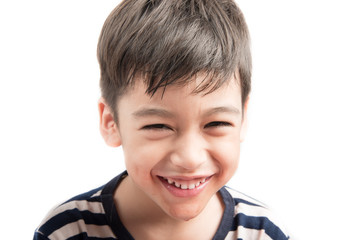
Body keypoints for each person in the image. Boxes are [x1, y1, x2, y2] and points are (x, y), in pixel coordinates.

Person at [34, 0, 290, 239]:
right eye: (158, 126)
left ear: (243, 118)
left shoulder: (263, 233)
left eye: (216, 123)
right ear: (111, 122)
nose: (190, 158)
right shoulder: (67, 232)